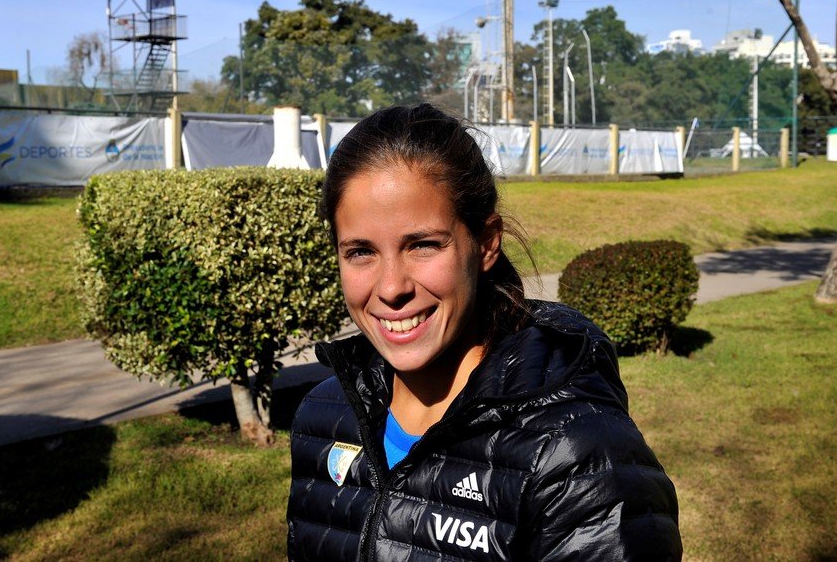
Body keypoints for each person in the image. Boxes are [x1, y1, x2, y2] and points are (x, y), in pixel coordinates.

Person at [287, 104, 681, 561]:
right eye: (360, 252)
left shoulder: (578, 456)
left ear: (487, 242)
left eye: (424, 245)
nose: (391, 288)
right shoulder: (324, 417)